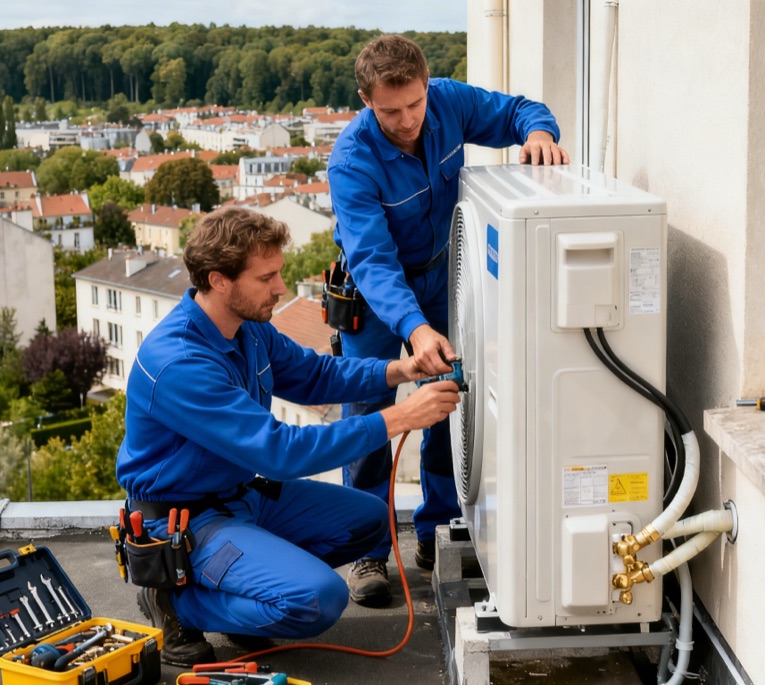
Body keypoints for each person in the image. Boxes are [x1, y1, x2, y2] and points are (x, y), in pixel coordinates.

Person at [116, 206, 461, 667]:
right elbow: (280, 452)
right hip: (185, 521)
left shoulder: (248, 329)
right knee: (317, 599)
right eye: (267, 278)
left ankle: (247, 596)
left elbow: (314, 375)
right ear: (219, 280)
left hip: (240, 498)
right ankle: (171, 601)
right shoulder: (179, 364)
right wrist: (400, 418)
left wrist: (401, 369)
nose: (280, 288)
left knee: (371, 519)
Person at [328, 34, 570, 608]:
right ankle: (367, 549)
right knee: (369, 414)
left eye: (415, 104)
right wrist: (412, 327)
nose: (409, 120)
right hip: (377, 298)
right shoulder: (351, 161)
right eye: (391, 111)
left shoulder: (449, 102)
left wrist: (540, 134)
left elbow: (519, 111)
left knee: (443, 397)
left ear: (427, 84)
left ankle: (437, 527)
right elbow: (372, 260)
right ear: (365, 99)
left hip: (443, 279)